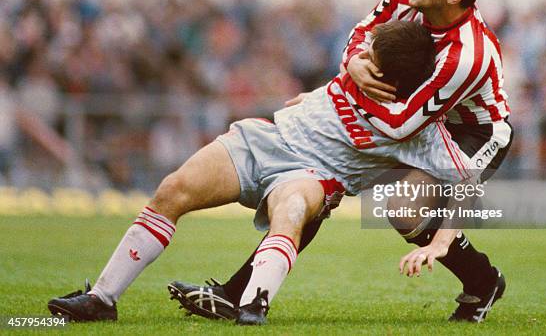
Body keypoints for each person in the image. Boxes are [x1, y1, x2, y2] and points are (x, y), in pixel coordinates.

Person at [174, 0, 513, 324]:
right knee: (319, 175)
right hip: (417, 118)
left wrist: (333, 103)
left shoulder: (466, 55)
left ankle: (483, 281)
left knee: (402, 208)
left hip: (474, 133)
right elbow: (360, 36)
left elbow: (401, 125)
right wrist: (351, 68)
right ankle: (239, 294)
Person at [47, 21, 441, 325]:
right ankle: (102, 298)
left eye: (369, 57)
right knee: (173, 189)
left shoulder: (413, 124)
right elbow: (354, 57)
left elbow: (462, 173)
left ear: (392, 79)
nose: (360, 58)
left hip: (314, 174)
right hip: (265, 137)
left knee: (289, 213)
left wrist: (440, 239)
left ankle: (253, 306)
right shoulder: (358, 68)